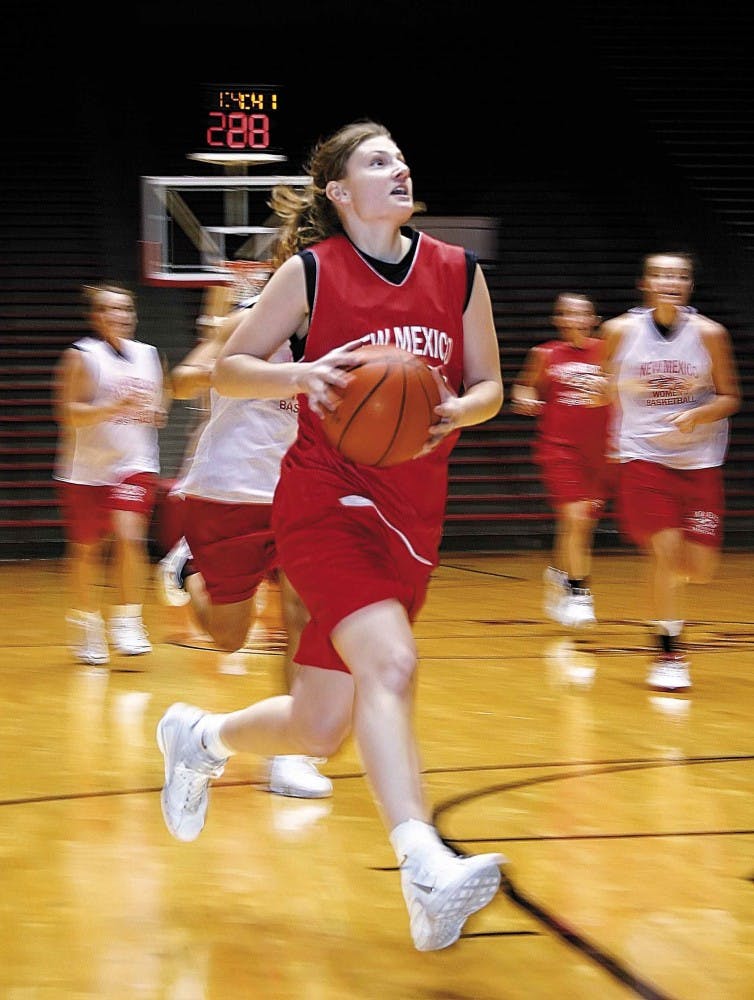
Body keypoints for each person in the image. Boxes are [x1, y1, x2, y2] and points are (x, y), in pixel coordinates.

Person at [155, 119, 506, 952]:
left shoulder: (458, 274)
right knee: (392, 663)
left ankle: (197, 736)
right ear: (341, 194)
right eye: (377, 160)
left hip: (412, 515)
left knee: (321, 727)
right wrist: (300, 371)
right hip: (322, 501)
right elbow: (230, 368)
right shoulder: (310, 272)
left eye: (402, 157)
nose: (399, 167)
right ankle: (424, 867)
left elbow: (490, 383)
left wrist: (458, 408)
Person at [154, 288, 332, 799]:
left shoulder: (339, 332)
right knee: (231, 638)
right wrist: (221, 340)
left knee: (304, 610)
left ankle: (290, 753)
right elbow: (185, 380)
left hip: (300, 488)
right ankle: (189, 570)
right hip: (231, 489)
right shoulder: (248, 323)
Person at [601, 251, 741, 691]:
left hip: (699, 460)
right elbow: (605, 385)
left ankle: (663, 597)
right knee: (664, 552)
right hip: (644, 456)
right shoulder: (619, 331)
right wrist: (603, 402)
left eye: (680, 276)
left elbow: (730, 397)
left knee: (697, 568)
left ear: (689, 287)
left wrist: (698, 416)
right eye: (662, 275)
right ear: (646, 283)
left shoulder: (710, 334)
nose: (670, 282)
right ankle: (668, 650)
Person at [54, 282, 166, 666]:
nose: (119, 315)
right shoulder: (82, 357)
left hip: (134, 464)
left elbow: (158, 409)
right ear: (96, 317)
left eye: (125, 309)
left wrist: (156, 412)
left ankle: (128, 619)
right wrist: (109, 407)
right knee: (86, 551)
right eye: (109, 309)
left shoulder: (150, 355)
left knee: (128, 535)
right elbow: (69, 414)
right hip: (85, 470)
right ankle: (87, 625)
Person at [512, 292, 611, 628]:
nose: (575, 318)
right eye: (567, 313)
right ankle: (579, 592)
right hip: (558, 448)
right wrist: (526, 399)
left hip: (599, 451)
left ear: (594, 320)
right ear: (558, 319)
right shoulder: (545, 354)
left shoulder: (609, 352)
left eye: (582, 313)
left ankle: (558, 571)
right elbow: (523, 388)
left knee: (578, 525)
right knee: (577, 518)